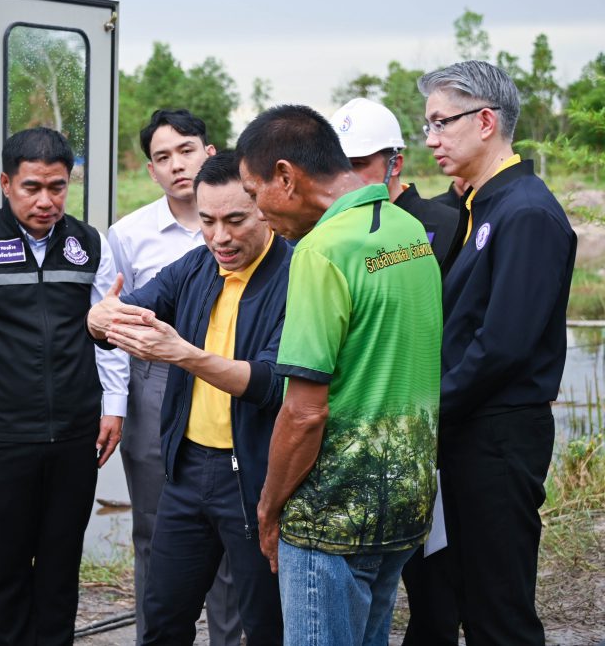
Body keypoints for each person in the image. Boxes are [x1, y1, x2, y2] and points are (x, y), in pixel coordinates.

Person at [239, 105, 442, 646]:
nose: (257, 213)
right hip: (406, 500)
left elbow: (305, 412)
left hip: (333, 515)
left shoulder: (321, 251)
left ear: (286, 177)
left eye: (254, 192)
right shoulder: (409, 231)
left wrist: (268, 507)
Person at [0, 127, 127, 645]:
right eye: (32, 187)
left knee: (62, 568)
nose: (46, 201)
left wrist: (114, 406)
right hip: (1, 436)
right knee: (9, 569)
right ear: (5, 183)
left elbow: (109, 333)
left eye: (57, 187)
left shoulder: (89, 245)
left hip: (75, 433)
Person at [89, 151, 287, 645]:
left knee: (264, 623)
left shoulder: (295, 274)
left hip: (254, 477)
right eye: (208, 221)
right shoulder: (196, 265)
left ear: (264, 208)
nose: (220, 237)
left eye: (235, 220)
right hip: (187, 470)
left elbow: (268, 382)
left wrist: (182, 353)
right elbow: (129, 309)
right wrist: (101, 319)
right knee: (162, 616)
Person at [417, 60, 577, 645]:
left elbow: (503, 345)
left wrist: (425, 409)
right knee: (463, 595)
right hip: (465, 430)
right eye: (426, 125)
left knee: (499, 611)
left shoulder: (526, 211)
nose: (430, 138)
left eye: (441, 122)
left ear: (485, 121)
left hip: (498, 437)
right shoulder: (477, 206)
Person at [107, 109, 242, 645]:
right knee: (156, 530)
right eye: (162, 158)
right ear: (150, 170)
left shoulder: (248, 221)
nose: (176, 165)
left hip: (230, 383)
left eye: (186, 150)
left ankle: (226, 638)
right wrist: (114, 405)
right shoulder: (129, 234)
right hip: (155, 387)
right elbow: (114, 318)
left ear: (209, 153)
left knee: (233, 532)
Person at [330, 97, 462, 269]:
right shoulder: (333, 231)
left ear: (395, 165)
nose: (346, 177)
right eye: (338, 166)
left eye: (357, 164)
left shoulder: (450, 226)